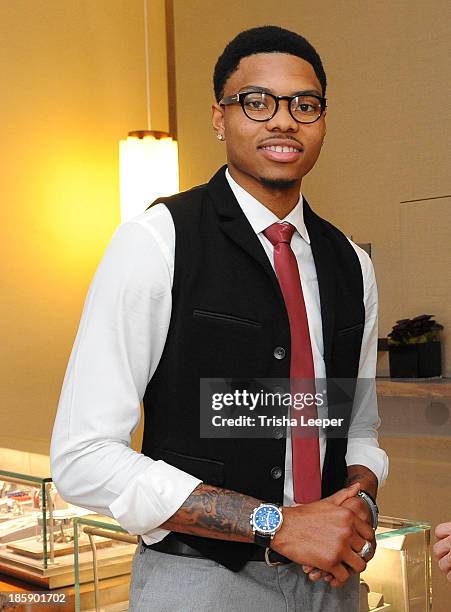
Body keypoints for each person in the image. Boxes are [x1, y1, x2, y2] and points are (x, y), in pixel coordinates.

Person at [51, 25, 388, 611]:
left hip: (333, 586)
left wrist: (358, 502)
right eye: (257, 102)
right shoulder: (156, 241)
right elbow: (84, 458)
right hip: (201, 584)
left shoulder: (351, 264)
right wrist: (275, 523)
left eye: (304, 105)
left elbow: (355, 427)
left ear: (324, 121)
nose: (283, 121)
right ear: (219, 118)